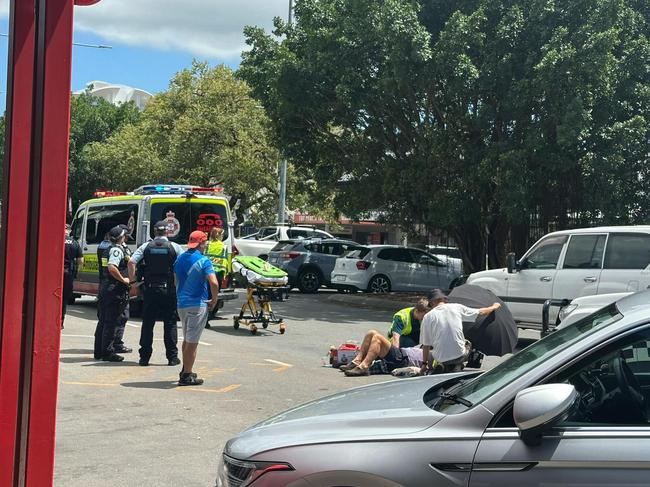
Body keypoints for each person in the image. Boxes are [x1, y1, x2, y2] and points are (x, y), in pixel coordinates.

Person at [128, 221, 183, 367]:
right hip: (169, 290)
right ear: (167, 232)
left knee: (148, 323)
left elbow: (131, 262)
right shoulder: (175, 247)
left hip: (150, 289)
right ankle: (172, 357)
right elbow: (183, 265)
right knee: (170, 323)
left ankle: (144, 358)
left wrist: (133, 283)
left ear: (154, 231)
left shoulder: (146, 246)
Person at [174, 231, 219, 386]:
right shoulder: (204, 261)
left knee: (187, 339)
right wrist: (214, 299)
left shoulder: (180, 258)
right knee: (192, 342)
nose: (206, 245)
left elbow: (176, 280)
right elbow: (214, 282)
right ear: (201, 243)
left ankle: (186, 369)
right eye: (205, 242)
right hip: (197, 304)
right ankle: (187, 375)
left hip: (181, 304)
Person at [420, 289, 500, 375]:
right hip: (459, 355)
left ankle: (441, 365)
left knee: (433, 353)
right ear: (444, 299)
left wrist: (424, 365)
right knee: (468, 343)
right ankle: (458, 364)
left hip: (440, 358)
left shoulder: (427, 317)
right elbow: (481, 312)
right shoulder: (456, 307)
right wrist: (494, 306)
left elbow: (426, 345)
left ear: (431, 303)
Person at [97, 225, 131, 362]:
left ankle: (100, 351)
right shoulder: (116, 250)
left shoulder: (108, 248)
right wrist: (124, 280)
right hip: (114, 289)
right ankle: (107, 352)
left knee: (104, 321)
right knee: (111, 322)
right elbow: (112, 267)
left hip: (107, 287)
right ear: (121, 237)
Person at [341, 330, 425, 377]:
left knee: (378, 338)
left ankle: (364, 366)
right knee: (371, 333)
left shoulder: (433, 356)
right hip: (401, 354)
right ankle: (357, 361)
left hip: (403, 359)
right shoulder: (423, 347)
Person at [62, 223, 83, 329]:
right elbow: (80, 261)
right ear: (69, 231)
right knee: (64, 299)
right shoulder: (74, 243)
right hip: (68, 273)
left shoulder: (56, 239)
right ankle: (61, 320)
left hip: (56, 274)